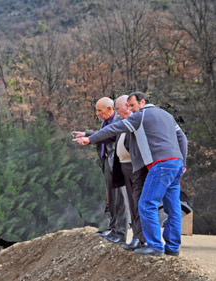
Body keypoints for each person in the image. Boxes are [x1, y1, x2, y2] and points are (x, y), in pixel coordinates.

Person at [74, 92, 187, 256]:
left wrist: (89, 140)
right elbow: (182, 138)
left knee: (146, 203)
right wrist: (183, 162)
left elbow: (113, 128)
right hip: (176, 163)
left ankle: (155, 246)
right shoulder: (166, 115)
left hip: (160, 165)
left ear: (142, 102)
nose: (131, 109)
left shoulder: (140, 116)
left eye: (132, 105)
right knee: (173, 207)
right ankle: (173, 247)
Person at [72, 97, 128, 244]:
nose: (97, 114)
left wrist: (90, 138)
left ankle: (121, 232)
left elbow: (109, 136)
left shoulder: (118, 120)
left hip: (117, 163)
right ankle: (113, 228)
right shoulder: (106, 121)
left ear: (110, 109)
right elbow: (102, 132)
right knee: (111, 198)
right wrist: (86, 134)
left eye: (99, 110)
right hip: (106, 162)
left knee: (120, 199)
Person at [113, 95, 145, 250]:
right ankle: (138, 237)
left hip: (136, 168)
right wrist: (88, 136)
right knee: (132, 204)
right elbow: (110, 133)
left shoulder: (137, 121)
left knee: (138, 203)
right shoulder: (123, 123)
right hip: (125, 168)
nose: (117, 112)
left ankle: (140, 238)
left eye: (118, 109)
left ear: (126, 106)